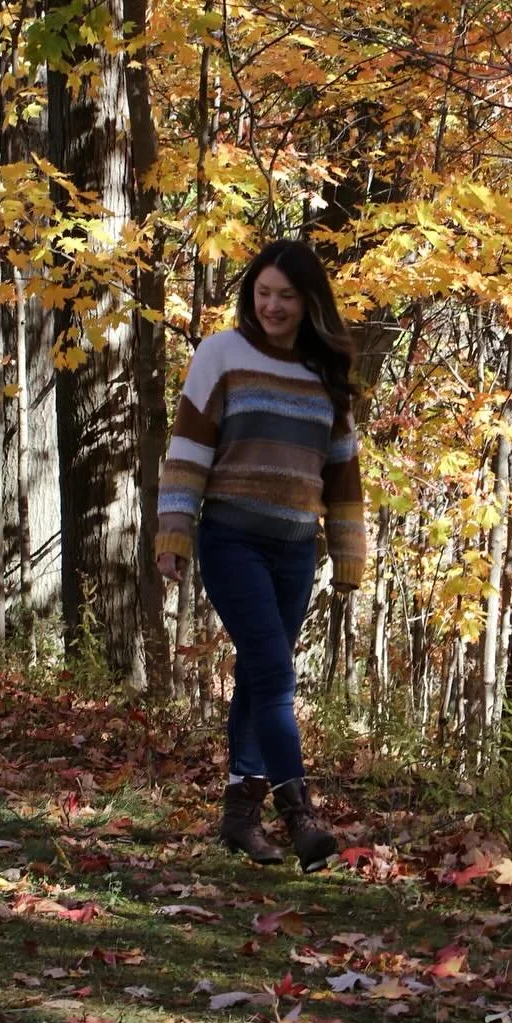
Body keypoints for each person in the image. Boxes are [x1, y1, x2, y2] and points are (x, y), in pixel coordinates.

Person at [155, 239, 365, 872]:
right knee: (274, 673)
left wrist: (348, 551)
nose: (271, 306)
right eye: (262, 293)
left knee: (257, 673)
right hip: (231, 539)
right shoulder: (221, 353)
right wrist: (174, 530)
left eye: (286, 296)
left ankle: (239, 819)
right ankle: (299, 812)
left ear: (308, 303)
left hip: (296, 549)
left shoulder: (326, 372)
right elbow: (189, 447)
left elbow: (343, 472)